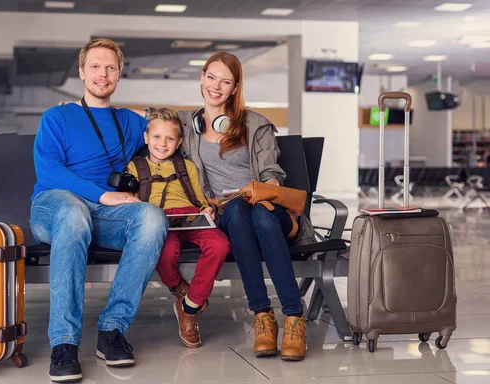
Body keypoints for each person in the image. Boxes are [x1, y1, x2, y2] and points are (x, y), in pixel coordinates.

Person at [30, 38, 168, 383]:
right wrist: (101, 195)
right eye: (95, 66)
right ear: (81, 72)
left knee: (152, 217)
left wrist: (150, 115)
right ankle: (63, 344)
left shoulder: (131, 122)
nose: (102, 74)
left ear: (119, 75)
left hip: (103, 216)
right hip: (55, 205)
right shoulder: (58, 115)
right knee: (74, 216)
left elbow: (173, 129)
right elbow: (48, 170)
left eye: (110, 67)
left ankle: (112, 331)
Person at [177, 52, 307, 361]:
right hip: (228, 214)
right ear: (201, 77)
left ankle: (292, 317)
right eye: (211, 77)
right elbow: (144, 127)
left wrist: (264, 189)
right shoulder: (185, 125)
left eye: (225, 81)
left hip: (269, 212)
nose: (216, 87)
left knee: (260, 214)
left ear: (235, 88)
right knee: (235, 212)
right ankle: (263, 316)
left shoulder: (256, 125)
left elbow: (272, 176)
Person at [126, 108, 230, 348]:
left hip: (191, 217)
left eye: (170, 138)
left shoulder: (188, 167)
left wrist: (207, 210)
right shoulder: (135, 167)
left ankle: (190, 306)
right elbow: (129, 202)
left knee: (220, 244)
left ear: (179, 142)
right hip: (159, 221)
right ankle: (178, 288)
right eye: (156, 137)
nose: (162, 144)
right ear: (146, 138)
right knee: (163, 252)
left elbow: (200, 198)